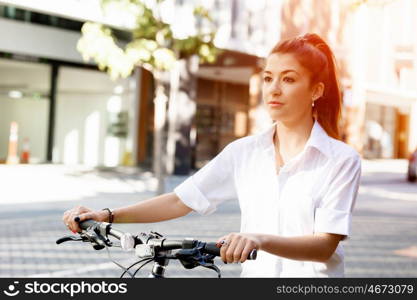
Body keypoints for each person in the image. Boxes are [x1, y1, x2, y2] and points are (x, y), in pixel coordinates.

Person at [63, 33, 361, 277]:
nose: (274, 89)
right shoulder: (244, 152)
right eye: (268, 78)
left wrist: (258, 239)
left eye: (289, 79)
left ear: (316, 91)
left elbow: (324, 246)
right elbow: (181, 200)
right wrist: (108, 215)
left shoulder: (341, 160)